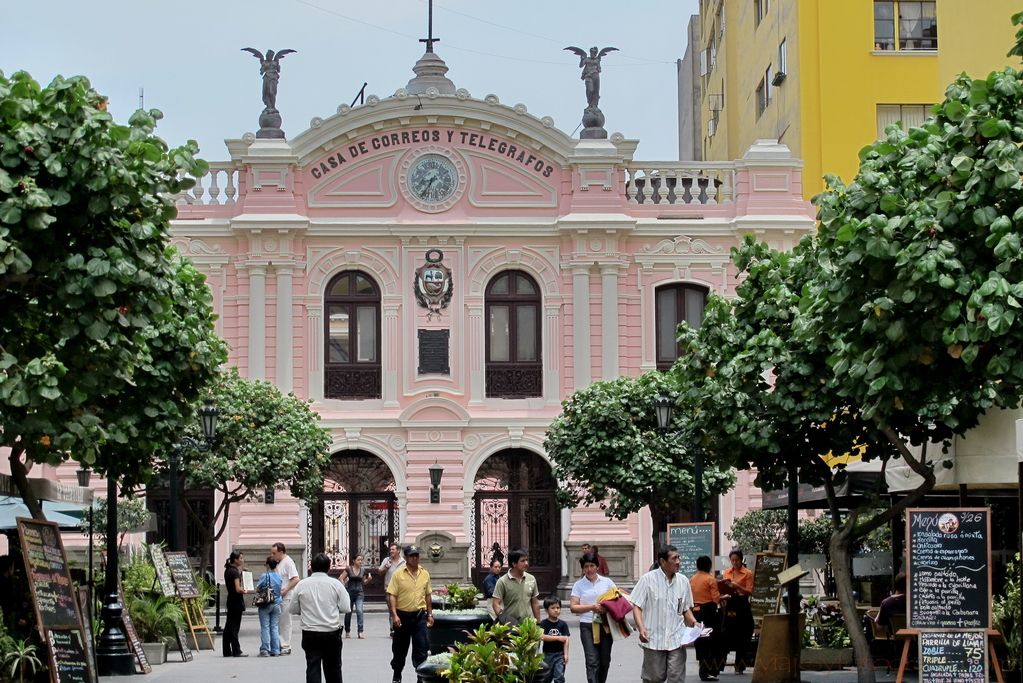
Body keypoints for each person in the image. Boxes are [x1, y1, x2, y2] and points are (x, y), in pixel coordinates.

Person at [631, 544, 701, 683]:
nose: (678, 562)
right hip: (654, 639)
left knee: (676, 678)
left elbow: (685, 608)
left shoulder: (683, 581)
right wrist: (641, 628)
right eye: (674, 558)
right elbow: (637, 606)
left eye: (679, 558)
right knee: (654, 678)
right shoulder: (647, 579)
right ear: (662, 562)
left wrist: (694, 623)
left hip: (677, 639)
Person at [289, 552, 351, 683]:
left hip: (310, 632)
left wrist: (306, 610)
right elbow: (346, 607)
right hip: (331, 632)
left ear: (311, 567)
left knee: (313, 667)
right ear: (329, 567)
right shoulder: (336, 584)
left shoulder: (301, 585)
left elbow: (293, 609)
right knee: (333, 668)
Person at [387, 544, 434, 683]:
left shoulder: (424, 573)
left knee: (421, 649)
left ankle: (420, 676)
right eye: (412, 556)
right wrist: (394, 615)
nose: (415, 558)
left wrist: (430, 614)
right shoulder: (398, 574)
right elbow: (392, 595)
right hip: (402, 617)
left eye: (417, 555)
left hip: (419, 616)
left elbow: (428, 595)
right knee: (399, 650)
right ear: (406, 557)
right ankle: (397, 674)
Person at [571, 552, 617, 683]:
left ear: (597, 566)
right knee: (592, 661)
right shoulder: (578, 585)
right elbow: (573, 607)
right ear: (583, 568)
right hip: (587, 625)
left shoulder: (607, 582)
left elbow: (617, 600)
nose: (589, 569)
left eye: (592, 565)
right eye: (586, 566)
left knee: (604, 661)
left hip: (605, 625)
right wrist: (591, 607)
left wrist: (607, 607)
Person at [720, 549, 754, 674]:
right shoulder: (727, 572)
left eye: (737, 560)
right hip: (729, 602)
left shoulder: (747, 573)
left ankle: (739, 665)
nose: (734, 563)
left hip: (742, 603)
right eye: (732, 560)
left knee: (743, 634)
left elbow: (749, 591)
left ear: (741, 559)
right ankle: (720, 664)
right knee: (725, 632)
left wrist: (737, 586)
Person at [690, 555, 722, 681]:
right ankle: (708, 670)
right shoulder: (710, 579)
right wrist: (723, 597)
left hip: (696, 613)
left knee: (700, 641)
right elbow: (716, 599)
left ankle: (702, 669)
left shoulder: (692, 579)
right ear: (708, 565)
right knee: (711, 641)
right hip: (709, 613)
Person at [492, 548, 540, 625]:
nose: (526, 563)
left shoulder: (531, 579)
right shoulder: (502, 581)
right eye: (523, 561)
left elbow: (535, 603)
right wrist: (505, 620)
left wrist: (538, 622)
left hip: (529, 625)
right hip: (511, 628)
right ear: (514, 564)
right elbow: (495, 604)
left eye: (527, 560)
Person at [272, 542, 301, 656]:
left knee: (285, 622)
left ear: (281, 552)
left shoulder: (288, 562)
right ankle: (280, 643)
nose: (273, 555)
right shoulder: (280, 563)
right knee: (280, 621)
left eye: (274, 553)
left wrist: (285, 590)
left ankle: (285, 645)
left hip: (286, 596)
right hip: (280, 596)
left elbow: (295, 579)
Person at [223, 551, 250, 657]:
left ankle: (226, 650)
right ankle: (236, 650)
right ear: (236, 559)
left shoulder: (228, 570)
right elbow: (238, 589)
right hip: (236, 601)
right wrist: (245, 590)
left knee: (229, 626)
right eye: (241, 558)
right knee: (234, 626)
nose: (243, 560)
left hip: (231, 600)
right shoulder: (234, 572)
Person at [257, 555, 284, 657]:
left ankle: (265, 649)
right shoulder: (279, 576)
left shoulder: (265, 576)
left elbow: (258, 588)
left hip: (266, 603)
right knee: (274, 627)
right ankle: (276, 650)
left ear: (267, 565)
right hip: (277, 604)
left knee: (265, 626)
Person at [540, 595, 570, 683]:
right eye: (553, 608)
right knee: (546, 677)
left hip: (559, 655)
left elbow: (566, 639)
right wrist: (557, 638)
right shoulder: (543, 623)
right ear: (546, 610)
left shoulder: (563, 624)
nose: (556, 610)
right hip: (547, 655)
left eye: (558, 607)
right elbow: (541, 636)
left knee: (559, 676)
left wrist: (566, 654)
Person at [341, 553, 372, 638]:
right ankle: (347, 631)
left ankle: (360, 631)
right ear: (354, 561)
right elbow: (341, 578)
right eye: (358, 560)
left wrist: (368, 580)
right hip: (349, 593)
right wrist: (344, 586)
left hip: (359, 593)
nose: (360, 561)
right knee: (348, 612)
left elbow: (363, 582)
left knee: (360, 611)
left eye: (361, 560)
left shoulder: (363, 570)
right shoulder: (349, 569)